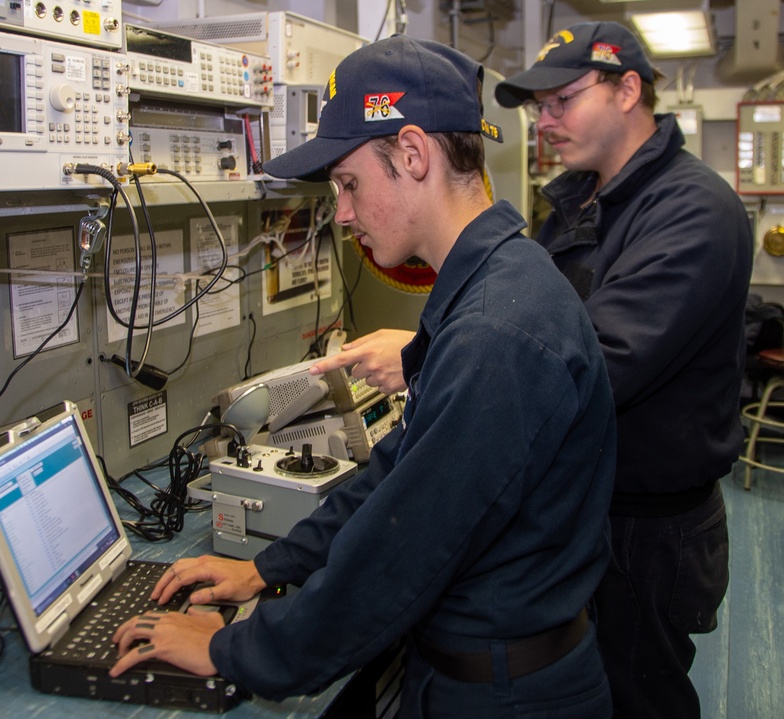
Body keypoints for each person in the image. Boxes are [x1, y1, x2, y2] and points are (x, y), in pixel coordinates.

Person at [108, 35, 617, 716]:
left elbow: (399, 552)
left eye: (349, 184)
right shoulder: (489, 288)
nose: (342, 213)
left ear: (412, 154)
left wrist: (234, 650)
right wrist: (267, 565)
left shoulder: (499, 329)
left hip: (508, 694)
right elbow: (395, 480)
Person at [316, 22, 753, 719]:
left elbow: (585, 362)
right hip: (579, 506)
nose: (543, 121)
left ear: (628, 88)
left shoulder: (695, 211)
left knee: (641, 694)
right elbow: (536, 322)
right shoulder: (577, 201)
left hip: (647, 528)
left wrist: (438, 357)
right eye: (537, 105)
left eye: (562, 99)